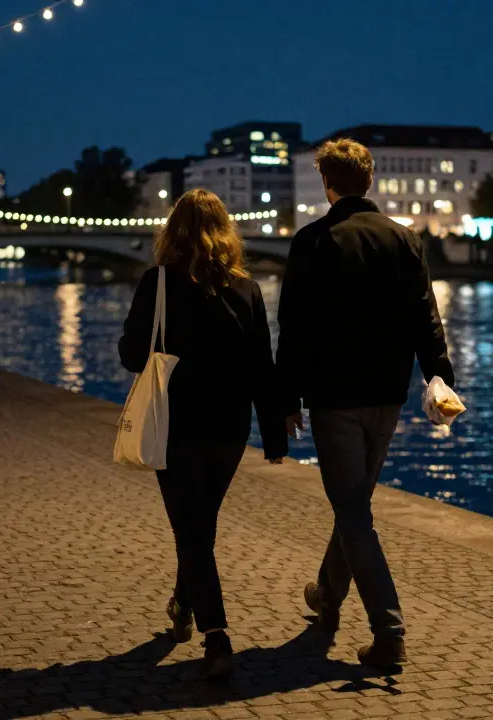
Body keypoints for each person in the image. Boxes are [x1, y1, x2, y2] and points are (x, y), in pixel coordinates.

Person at [276, 139, 455, 668]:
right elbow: (427, 317)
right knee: (353, 504)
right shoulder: (404, 240)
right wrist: (439, 379)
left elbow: (295, 331)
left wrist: (287, 398)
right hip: (389, 395)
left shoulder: (312, 242)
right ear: (370, 182)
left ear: (327, 185)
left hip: (335, 398)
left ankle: (389, 631)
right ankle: (327, 598)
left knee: (352, 509)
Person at [118, 189, 288, 681]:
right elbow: (263, 367)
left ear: (172, 231)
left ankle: (217, 638)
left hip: (175, 425)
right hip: (229, 430)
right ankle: (182, 607)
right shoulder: (246, 289)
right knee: (200, 526)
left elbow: (132, 355)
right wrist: (274, 439)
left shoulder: (159, 283)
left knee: (192, 530)